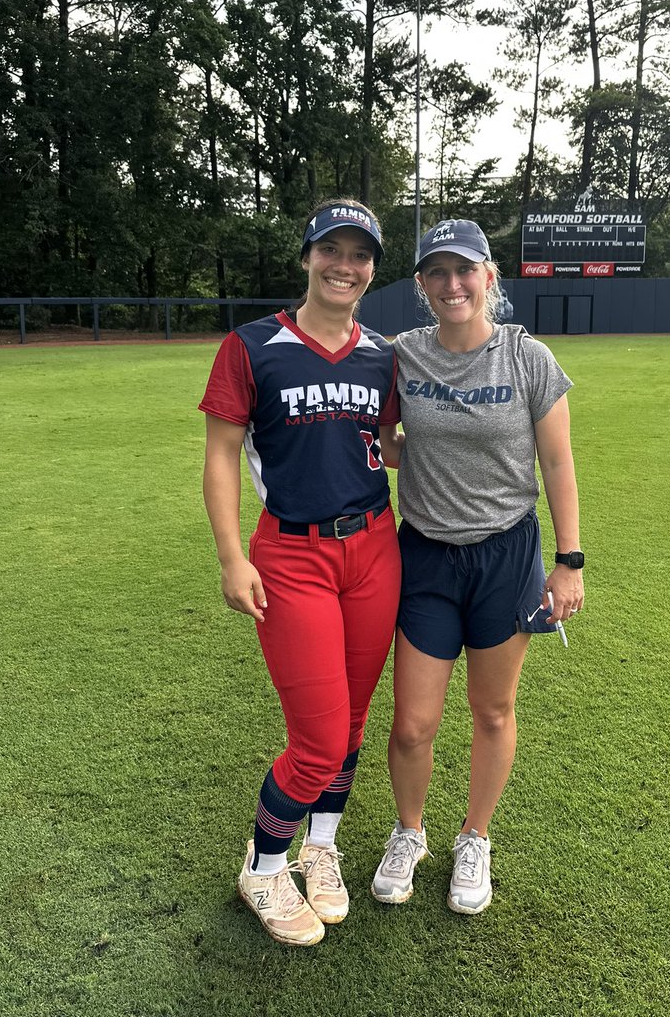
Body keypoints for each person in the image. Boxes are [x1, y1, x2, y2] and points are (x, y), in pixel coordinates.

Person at [200, 199, 402, 947]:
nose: (345, 266)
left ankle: (321, 845)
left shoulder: (383, 355)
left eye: (360, 255)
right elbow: (221, 455)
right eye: (331, 250)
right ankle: (263, 865)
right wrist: (232, 557)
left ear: (372, 268)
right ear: (308, 256)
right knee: (316, 739)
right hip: (292, 554)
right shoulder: (252, 346)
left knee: (351, 722)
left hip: (375, 548)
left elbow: (388, 444)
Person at [372, 218, 584, 915]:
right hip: (426, 557)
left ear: (489, 277)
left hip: (505, 555)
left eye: (465, 270)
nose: (452, 284)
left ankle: (475, 837)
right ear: (422, 284)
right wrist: (414, 459)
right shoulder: (402, 356)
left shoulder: (528, 358)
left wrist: (569, 562)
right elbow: (385, 442)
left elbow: (557, 462)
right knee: (413, 723)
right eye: (437, 272)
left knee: (492, 711)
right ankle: (409, 832)